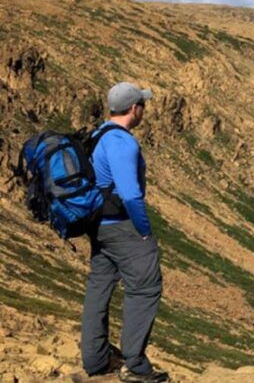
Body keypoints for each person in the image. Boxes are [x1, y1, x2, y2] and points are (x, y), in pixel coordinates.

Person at [81, 82, 168, 382]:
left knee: (99, 287)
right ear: (134, 109)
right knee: (145, 287)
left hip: (99, 227)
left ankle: (95, 360)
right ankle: (135, 364)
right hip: (122, 226)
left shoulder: (97, 135)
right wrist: (144, 230)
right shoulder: (122, 142)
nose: (144, 109)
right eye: (143, 104)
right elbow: (130, 194)